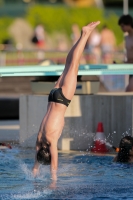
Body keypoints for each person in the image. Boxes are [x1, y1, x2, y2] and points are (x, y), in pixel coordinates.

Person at [32, 21, 100, 180]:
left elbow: (54, 166)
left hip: (62, 99)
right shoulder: (40, 138)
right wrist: (35, 173)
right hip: (53, 95)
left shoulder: (50, 140)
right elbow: (35, 165)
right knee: (68, 65)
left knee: (74, 65)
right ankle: (82, 36)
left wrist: (53, 182)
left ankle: (85, 34)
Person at [118, 14, 133, 92]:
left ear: (129, 24)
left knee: (128, 90)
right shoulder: (126, 37)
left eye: (123, 26)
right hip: (130, 68)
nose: (121, 28)